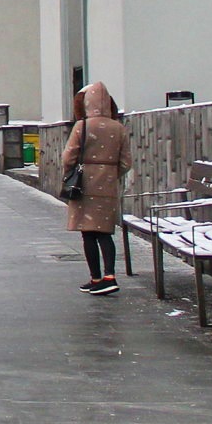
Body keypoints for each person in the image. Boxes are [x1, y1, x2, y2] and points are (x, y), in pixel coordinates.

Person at [62, 81, 128, 294]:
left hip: (84, 184)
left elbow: (69, 156)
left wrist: (69, 174)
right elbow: (126, 161)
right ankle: (110, 275)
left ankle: (96, 277)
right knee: (105, 232)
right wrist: (110, 174)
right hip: (107, 186)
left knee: (88, 233)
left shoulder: (82, 126)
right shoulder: (118, 127)